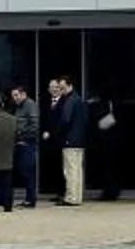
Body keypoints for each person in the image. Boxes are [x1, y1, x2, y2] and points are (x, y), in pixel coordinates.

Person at [46, 77, 90, 205]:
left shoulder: (70, 101)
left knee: (70, 170)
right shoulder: (79, 100)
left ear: (70, 86)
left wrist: (57, 133)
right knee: (77, 170)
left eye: (62, 88)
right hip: (79, 140)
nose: (61, 90)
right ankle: (77, 196)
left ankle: (71, 197)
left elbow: (65, 119)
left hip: (69, 140)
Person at [8, 84, 41, 208]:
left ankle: (31, 199)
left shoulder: (30, 105)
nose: (14, 98)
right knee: (23, 172)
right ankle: (28, 198)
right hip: (19, 143)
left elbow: (34, 125)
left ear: (23, 94)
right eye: (13, 96)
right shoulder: (18, 106)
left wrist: (21, 135)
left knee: (27, 172)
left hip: (27, 143)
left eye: (16, 95)